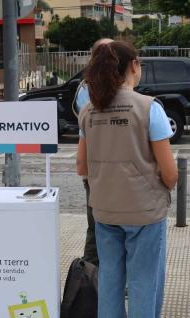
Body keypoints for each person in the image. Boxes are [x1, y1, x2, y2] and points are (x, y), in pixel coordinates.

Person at [76, 41, 177, 318]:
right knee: (144, 283)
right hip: (145, 212)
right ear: (134, 65)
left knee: (109, 282)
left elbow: (82, 167)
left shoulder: (89, 110)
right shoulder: (149, 108)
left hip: (104, 210)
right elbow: (171, 174)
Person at [74, 37, 113, 266]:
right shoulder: (87, 89)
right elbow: (85, 131)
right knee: (96, 223)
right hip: (96, 169)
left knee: (114, 227)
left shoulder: (122, 88)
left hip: (118, 170)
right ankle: (90, 275)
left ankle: (113, 275)